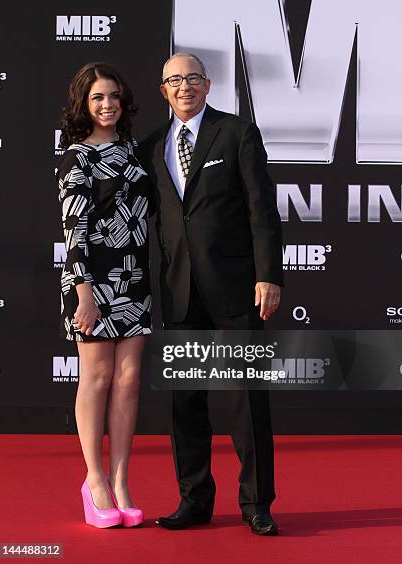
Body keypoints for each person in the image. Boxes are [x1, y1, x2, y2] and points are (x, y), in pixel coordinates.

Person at [141, 52, 283, 536]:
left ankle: (257, 504)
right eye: (174, 81)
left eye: (193, 78)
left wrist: (269, 275)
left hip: (236, 288)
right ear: (163, 91)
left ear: (209, 84)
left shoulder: (237, 132)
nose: (184, 87)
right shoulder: (151, 146)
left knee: (246, 399)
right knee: (186, 403)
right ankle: (194, 499)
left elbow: (263, 210)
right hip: (179, 292)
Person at [55, 62, 152, 528]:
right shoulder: (77, 157)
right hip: (92, 280)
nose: (107, 104)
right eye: (97, 98)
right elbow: (74, 230)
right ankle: (94, 481)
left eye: (113, 96)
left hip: (134, 278)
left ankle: (120, 482)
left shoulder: (135, 151)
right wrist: (84, 293)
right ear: (83, 104)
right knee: (96, 379)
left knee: (129, 381)